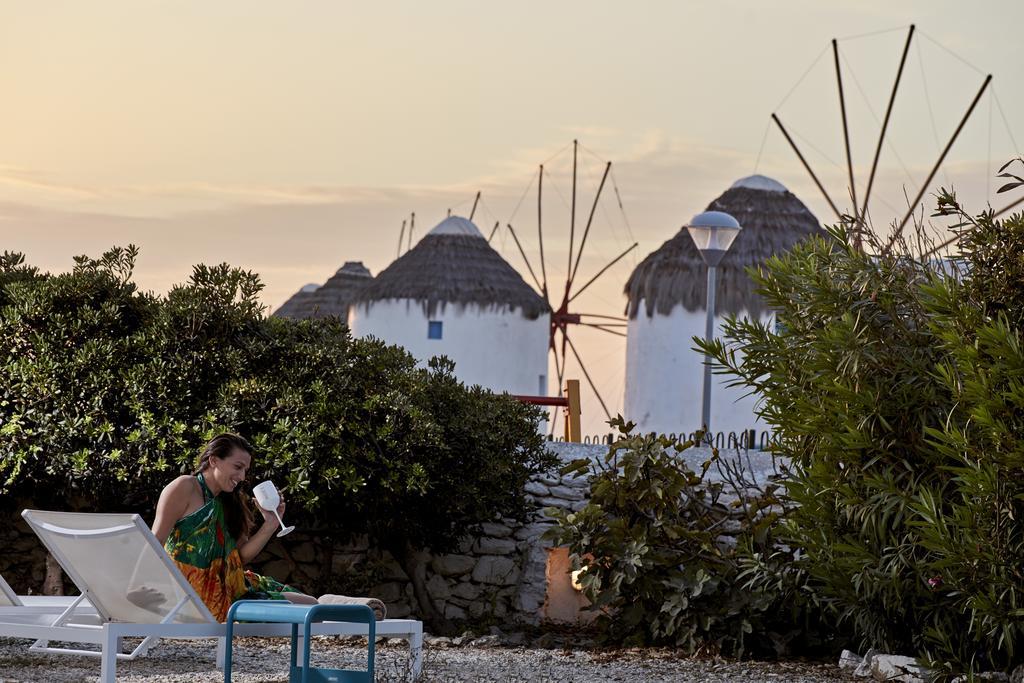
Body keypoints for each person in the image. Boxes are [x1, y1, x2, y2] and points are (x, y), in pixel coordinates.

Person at [152, 433, 317, 621]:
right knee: (308, 611)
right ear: (213, 460)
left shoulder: (231, 501)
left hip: (235, 587)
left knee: (311, 605)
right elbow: (154, 543)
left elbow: (240, 557)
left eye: (245, 470)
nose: (242, 476)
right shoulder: (185, 488)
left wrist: (271, 523)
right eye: (238, 467)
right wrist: (143, 591)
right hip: (194, 595)